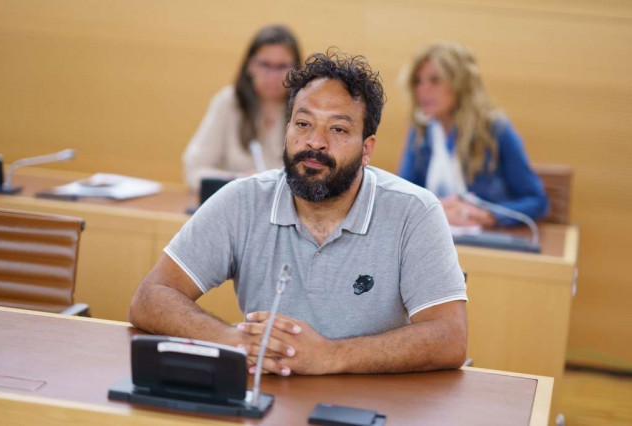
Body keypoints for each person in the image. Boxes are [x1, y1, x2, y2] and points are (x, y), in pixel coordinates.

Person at [130, 51, 468, 377]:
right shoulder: (242, 200)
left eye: (337, 129)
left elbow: (450, 337)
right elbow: (150, 297)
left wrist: (331, 356)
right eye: (303, 124)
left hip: (372, 404)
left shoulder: (414, 212)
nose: (315, 142)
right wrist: (233, 341)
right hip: (266, 397)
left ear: (366, 149)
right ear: (287, 130)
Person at [398, 41, 548, 227]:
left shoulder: (495, 129)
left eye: (435, 80)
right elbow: (404, 198)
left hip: (483, 243)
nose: (423, 90)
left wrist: (490, 216)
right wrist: (436, 208)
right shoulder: (421, 130)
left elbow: (537, 201)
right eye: (418, 81)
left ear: (459, 84)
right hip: (434, 240)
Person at [182, 25, 302, 192]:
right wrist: (238, 181)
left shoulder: (306, 109)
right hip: (237, 204)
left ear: (296, 69)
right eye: (265, 65)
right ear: (250, 66)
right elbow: (194, 171)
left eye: (282, 66)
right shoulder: (228, 102)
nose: (273, 76)